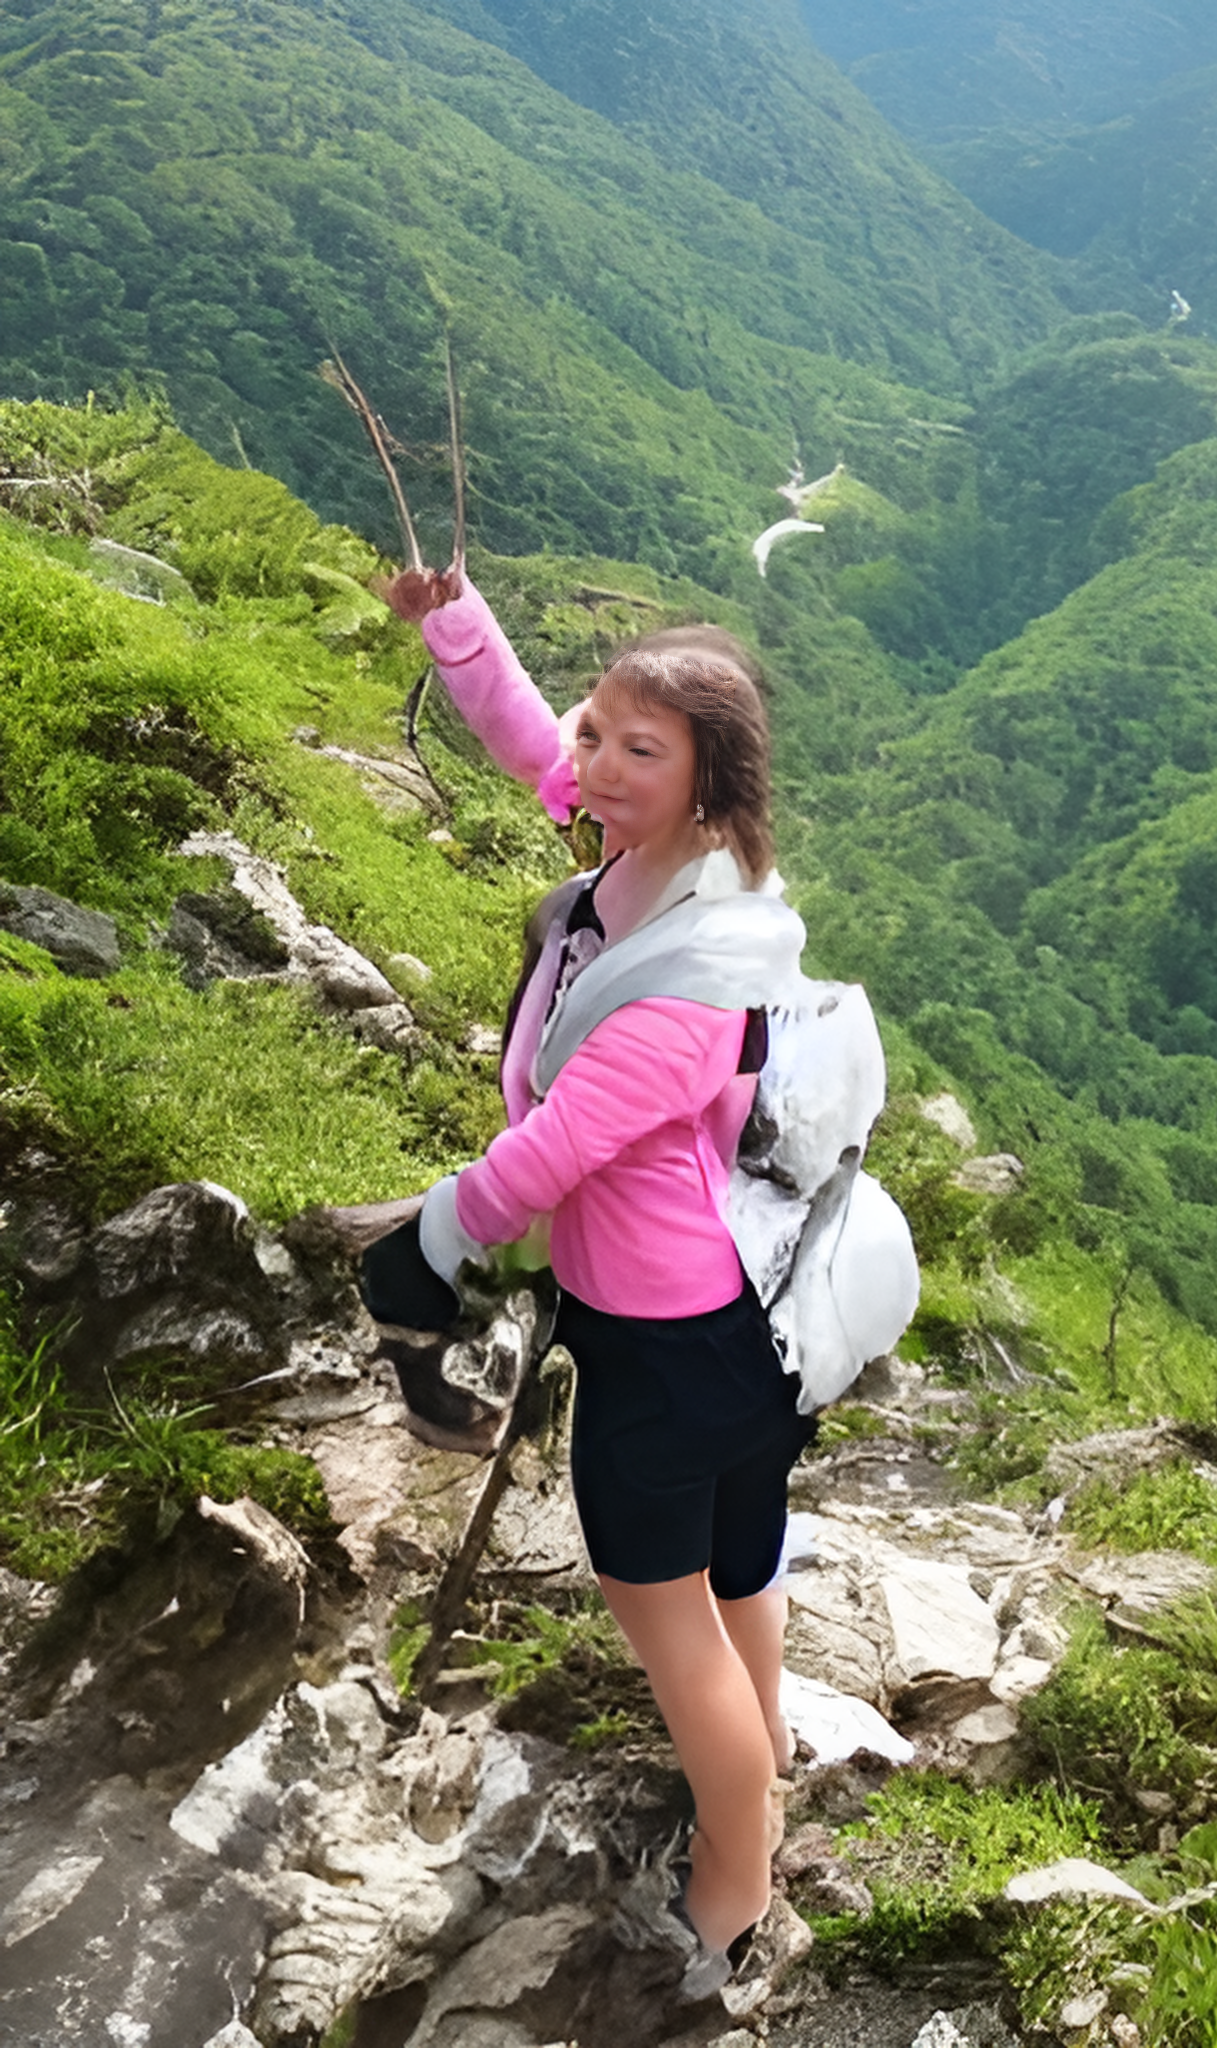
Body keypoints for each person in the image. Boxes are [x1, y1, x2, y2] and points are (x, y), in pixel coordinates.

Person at [376, 562, 814, 1995]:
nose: (598, 767)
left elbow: (549, 1156)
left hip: (668, 1340)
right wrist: (456, 624)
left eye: (642, 749)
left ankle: (733, 1891)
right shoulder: (661, 863)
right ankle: (764, 1763)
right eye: (601, 738)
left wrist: (427, 1245)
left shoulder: (690, 973)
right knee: (741, 1570)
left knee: (663, 1613)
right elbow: (530, 742)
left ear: (708, 785)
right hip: (745, 1317)